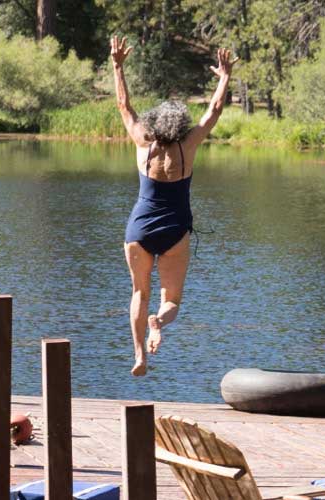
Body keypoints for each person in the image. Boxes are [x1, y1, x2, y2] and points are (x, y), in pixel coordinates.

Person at [109, 36, 235, 376]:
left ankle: (139, 355)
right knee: (172, 300)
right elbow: (214, 111)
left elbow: (124, 105)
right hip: (175, 230)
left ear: (154, 123)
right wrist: (223, 76)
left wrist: (118, 65)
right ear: (179, 124)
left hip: (139, 229)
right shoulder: (187, 146)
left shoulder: (142, 142)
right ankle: (159, 322)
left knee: (139, 291)